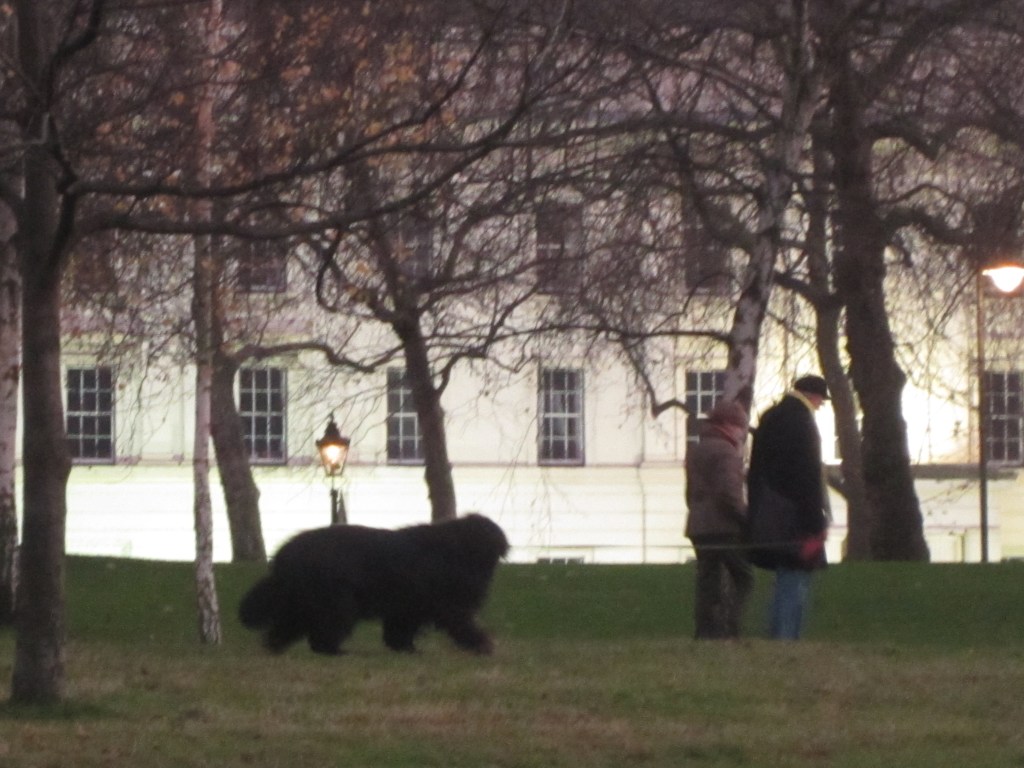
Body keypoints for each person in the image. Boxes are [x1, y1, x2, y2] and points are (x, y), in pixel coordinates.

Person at [746, 375, 831, 640]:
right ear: (813, 396)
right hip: (795, 514)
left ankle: (777, 635)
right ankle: (785, 638)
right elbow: (807, 476)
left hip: (769, 510)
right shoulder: (802, 422)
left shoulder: (771, 417)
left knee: (785, 575)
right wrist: (816, 522)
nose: (819, 406)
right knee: (795, 576)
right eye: (820, 401)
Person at [685, 398, 754, 639]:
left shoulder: (697, 449)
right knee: (744, 576)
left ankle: (705, 630)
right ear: (729, 425)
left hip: (698, 525)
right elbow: (729, 494)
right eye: (740, 427)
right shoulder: (726, 452)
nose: (742, 433)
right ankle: (730, 627)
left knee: (707, 578)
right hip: (722, 525)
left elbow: (690, 492)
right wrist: (747, 519)